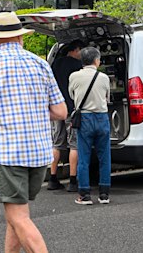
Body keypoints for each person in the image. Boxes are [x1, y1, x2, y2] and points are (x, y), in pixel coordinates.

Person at [0, 12, 67, 253]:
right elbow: (61, 111)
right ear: (21, 37)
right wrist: (33, 111)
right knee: (16, 216)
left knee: (18, 217)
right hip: (39, 153)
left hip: (10, 153)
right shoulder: (40, 63)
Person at [69, 46, 112, 205]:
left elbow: (72, 95)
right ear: (96, 60)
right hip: (101, 117)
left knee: (84, 158)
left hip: (84, 118)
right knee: (104, 157)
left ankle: (84, 194)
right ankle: (104, 194)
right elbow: (107, 98)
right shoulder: (104, 78)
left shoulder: (74, 76)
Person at [48, 40, 85, 192]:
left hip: (56, 109)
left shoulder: (55, 63)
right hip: (71, 108)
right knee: (74, 144)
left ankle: (52, 179)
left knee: (56, 144)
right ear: (76, 50)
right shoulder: (77, 66)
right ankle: (73, 181)